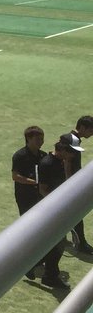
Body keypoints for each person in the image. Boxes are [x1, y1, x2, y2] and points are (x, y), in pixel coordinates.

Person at [36, 134, 83, 289]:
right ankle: (49, 276)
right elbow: (42, 190)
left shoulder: (64, 161)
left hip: (59, 207)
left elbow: (68, 183)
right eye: (72, 152)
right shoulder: (47, 163)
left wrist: (67, 164)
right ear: (62, 149)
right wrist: (57, 206)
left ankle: (37, 267)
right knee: (56, 244)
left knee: (54, 243)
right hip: (50, 210)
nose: (75, 155)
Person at [11, 125, 48, 281]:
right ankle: (26, 263)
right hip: (25, 197)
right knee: (28, 228)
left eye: (42, 139)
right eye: (38, 139)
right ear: (29, 139)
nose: (41, 141)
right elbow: (16, 176)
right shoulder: (19, 156)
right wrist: (35, 182)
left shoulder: (43, 156)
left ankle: (36, 259)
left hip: (40, 197)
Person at [66, 115, 93, 252]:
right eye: (91, 130)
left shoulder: (72, 139)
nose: (92, 133)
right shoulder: (71, 140)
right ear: (82, 127)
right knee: (76, 214)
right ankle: (81, 243)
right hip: (70, 184)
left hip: (71, 182)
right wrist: (71, 184)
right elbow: (67, 162)